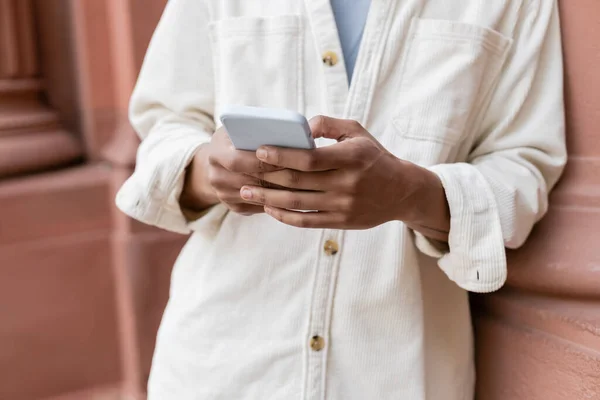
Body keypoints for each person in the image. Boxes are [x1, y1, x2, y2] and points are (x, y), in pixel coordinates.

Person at [116, 0, 567, 398]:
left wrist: (410, 194)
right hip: (220, 368)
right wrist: (205, 169)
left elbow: (524, 168)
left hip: (397, 378)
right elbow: (162, 127)